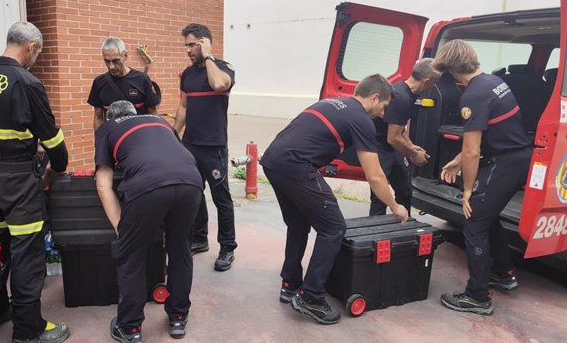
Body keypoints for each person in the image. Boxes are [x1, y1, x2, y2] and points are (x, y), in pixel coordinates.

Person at [260, 74, 409, 325]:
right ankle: (311, 297)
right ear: (374, 97)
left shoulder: (332, 103)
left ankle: (290, 283)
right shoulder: (361, 119)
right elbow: (374, 176)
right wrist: (395, 206)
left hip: (274, 161)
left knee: (298, 224)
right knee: (333, 228)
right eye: (383, 107)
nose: (383, 114)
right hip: (297, 166)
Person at [0, 21, 70, 343]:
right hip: (19, 184)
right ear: (31, 48)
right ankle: (28, 331)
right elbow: (52, 139)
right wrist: (58, 168)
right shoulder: (27, 83)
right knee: (27, 254)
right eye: (38, 52)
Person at [95, 101, 203, 343]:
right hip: (191, 181)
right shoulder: (160, 122)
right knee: (180, 249)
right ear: (135, 113)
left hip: (147, 186)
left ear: (111, 118)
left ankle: (130, 328)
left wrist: (122, 230)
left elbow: (103, 183)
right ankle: (178, 317)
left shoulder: (108, 128)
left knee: (131, 255)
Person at [434, 40, 531, 315]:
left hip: (505, 162)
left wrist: (467, 191)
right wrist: (457, 160)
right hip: (517, 156)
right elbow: (483, 133)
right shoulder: (492, 81)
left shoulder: (472, 96)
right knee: (488, 216)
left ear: (452, 69)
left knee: (474, 218)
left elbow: (473, 149)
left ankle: (477, 297)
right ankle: (504, 273)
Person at [174, 23, 237, 271]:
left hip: (214, 146)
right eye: (186, 45)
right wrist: (173, 135)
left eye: (192, 45)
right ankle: (200, 239)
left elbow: (220, 85)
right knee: (194, 194)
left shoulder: (223, 68)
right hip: (190, 144)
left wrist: (208, 56)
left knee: (222, 198)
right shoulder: (187, 75)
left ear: (204, 42)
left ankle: (227, 247)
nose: (188, 50)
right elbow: (183, 107)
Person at [369, 58, 441, 215]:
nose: (434, 86)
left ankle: (403, 228)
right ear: (428, 81)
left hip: (393, 149)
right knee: (380, 197)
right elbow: (392, 138)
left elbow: (400, 129)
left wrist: (411, 145)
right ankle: (376, 234)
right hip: (380, 148)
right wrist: (413, 154)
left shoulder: (409, 94)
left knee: (405, 191)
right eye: (435, 82)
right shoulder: (401, 97)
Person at [88, 37, 159, 131]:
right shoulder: (99, 83)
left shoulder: (142, 79)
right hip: (113, 142)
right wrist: (99, 142)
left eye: (116, 61)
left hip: (140, 139)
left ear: (125, 55)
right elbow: (98, 117)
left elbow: (153, 113)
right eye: (107, 61)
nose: (111, 67)